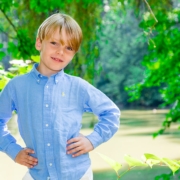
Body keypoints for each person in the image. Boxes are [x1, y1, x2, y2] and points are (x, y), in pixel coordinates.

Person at [0, 13, 120, 180]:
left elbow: (112, 114)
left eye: (69, 48)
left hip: (78, 174)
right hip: (36, 174)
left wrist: (93, 140)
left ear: (74, 53)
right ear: (39, 43)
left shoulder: (79, 87)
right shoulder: (16, 87)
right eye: (54, 43)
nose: (60, 52)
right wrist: (13, 150)